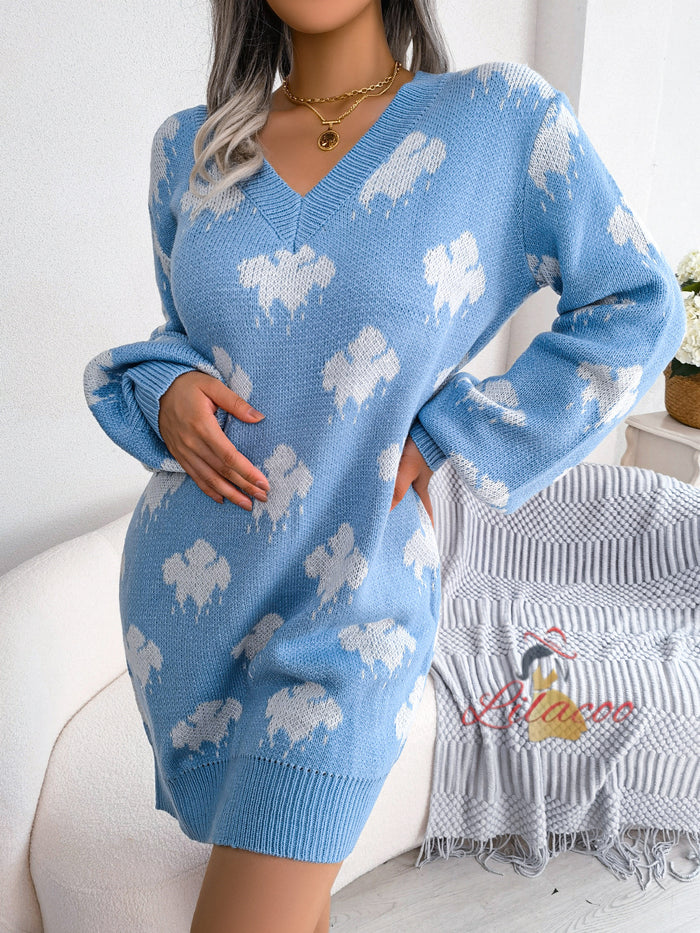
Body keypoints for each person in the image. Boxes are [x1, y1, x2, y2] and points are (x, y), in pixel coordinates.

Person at [83, 1, 686, 931]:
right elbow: (188, 339)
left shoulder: (495, 120)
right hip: (190, 615)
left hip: (352, 618)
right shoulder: (190, 149)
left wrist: (456, 432)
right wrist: (164, 387)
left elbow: (638, 304)